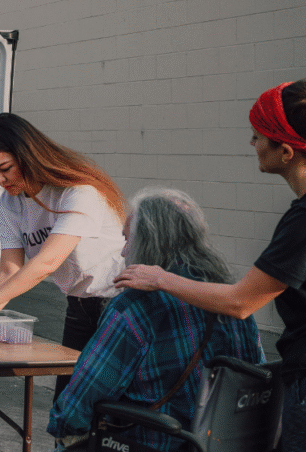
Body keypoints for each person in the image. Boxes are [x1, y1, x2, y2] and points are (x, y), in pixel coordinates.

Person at [115, 80, 306, 451]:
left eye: (258, 136)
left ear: (286, 151)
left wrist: (160, 277)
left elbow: (241, 303)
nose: (252, 144)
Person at [48, 187, 264, 451]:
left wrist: (63, 430)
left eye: (127, 239)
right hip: (222, 443)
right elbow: (255, 378)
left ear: (147, 242)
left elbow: (88, 390)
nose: (123, 252)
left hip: (150, 442)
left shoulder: (135, 308)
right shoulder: (228, 297)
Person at [0, 112, 127, 400]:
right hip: (79, 305)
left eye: (5, 168)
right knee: (67, 404)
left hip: (118, 304)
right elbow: (9, 268)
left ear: (28, 156)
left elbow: (47, 262)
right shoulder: (10, 202)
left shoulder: (77, 191)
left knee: (102, 404)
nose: (0, 179)